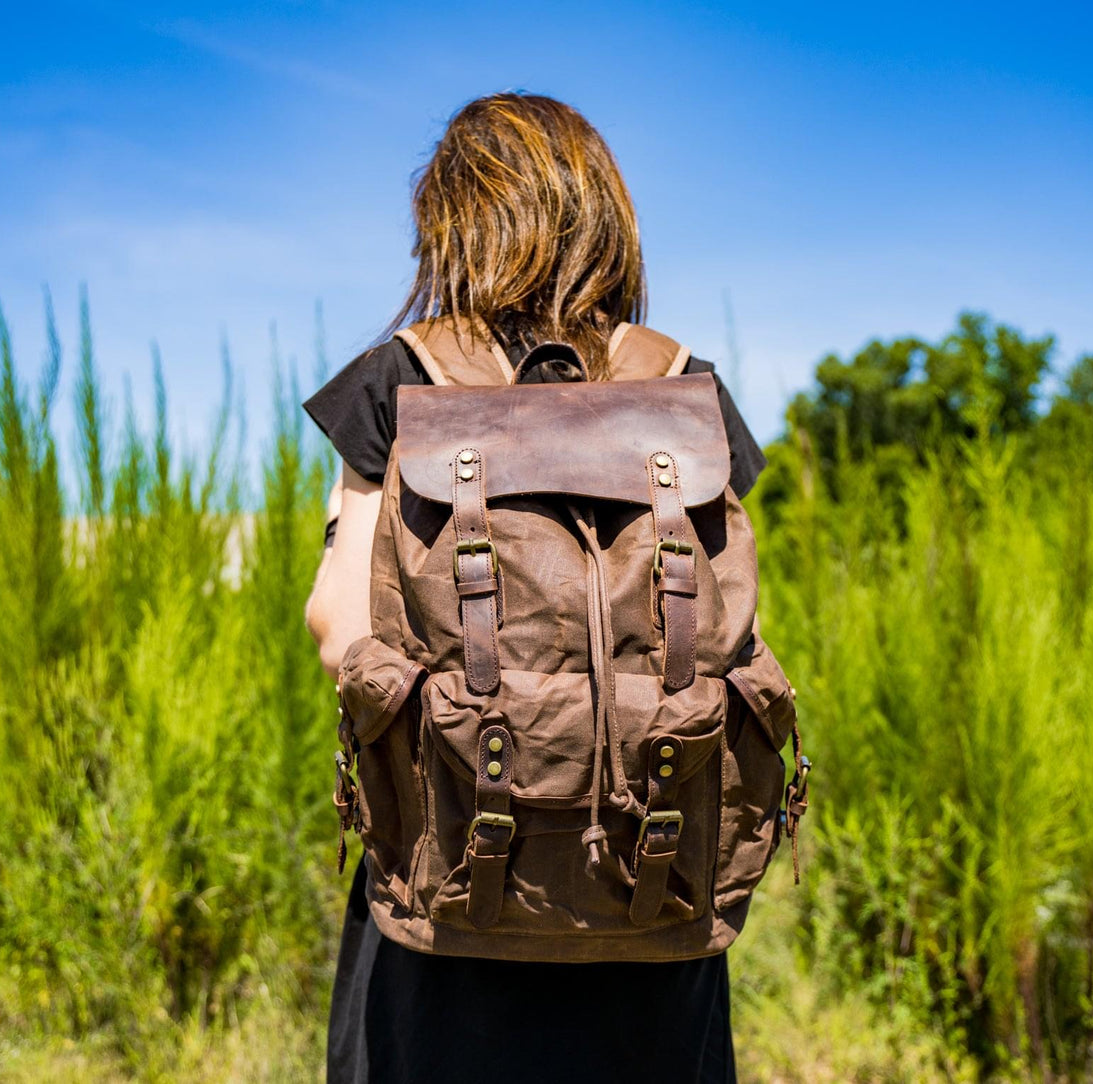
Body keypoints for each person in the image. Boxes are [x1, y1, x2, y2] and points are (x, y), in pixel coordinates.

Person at [303, 92, 768, 1084]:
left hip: (447, 895)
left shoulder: (402, 378)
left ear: (454, 221)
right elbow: (729, 630)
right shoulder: (686, 387)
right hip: (653, 885)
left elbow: (335, 622)